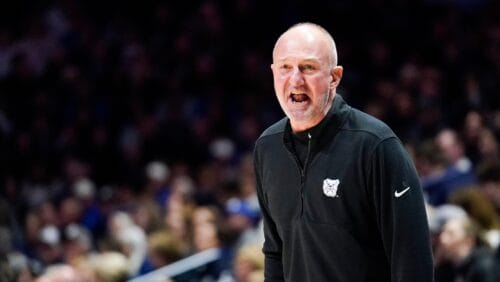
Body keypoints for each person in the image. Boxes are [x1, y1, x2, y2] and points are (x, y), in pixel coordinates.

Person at [253, 22, 434, 281]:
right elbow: (275, 252)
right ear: (273, 73)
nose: (295, 79)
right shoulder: (267, 148)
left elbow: (412, 261)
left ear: (334, 77)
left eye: (308, 67)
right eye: (285, 67)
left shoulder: (376, 146)